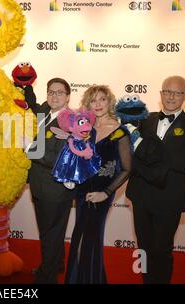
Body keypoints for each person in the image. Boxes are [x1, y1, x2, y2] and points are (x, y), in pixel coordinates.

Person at [126, 76, 185, 284]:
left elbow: (184, 163)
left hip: (168, 198)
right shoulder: (144, 120)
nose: (171, 96)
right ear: (161, 94)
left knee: (162, 250)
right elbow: (130, 155)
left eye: (177, 92)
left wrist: (146, 150)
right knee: (143, 246)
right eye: (167, 91)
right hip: (141, 194)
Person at [65, 85, 132, 284]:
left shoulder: (120, 132)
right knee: (81, 239)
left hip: (102, 193)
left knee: (88, 241)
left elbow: (127, 168)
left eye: (102, 99)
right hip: (82, 192)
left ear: (109, 102)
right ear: (87, 104)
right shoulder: (85, 128)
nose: (98, 104)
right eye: (93, 100)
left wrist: (106, 192)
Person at [28, 78, 74, 283]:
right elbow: (31, 103)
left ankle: (47, 276)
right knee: (52, 231)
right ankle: (56, 264)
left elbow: (58, 158)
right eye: (51, 92)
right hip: (40, 185)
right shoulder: (44, 112)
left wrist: (29, 148)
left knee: (50, 233)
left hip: (55, 188)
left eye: (59, 93)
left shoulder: (72, 121)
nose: (54, 96)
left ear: (68, 97)